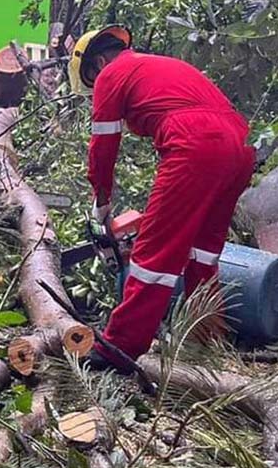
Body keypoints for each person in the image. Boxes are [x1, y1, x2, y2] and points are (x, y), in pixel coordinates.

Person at [69, 25, 255, 371]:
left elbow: (103, 146)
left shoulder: (112, 74)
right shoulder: (157, 65)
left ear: (97, 63)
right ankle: (205, 337)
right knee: (204, 252)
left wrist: (101, 201)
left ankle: (119, 349)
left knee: (153, 255)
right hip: (240, 145)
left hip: (197, 144)